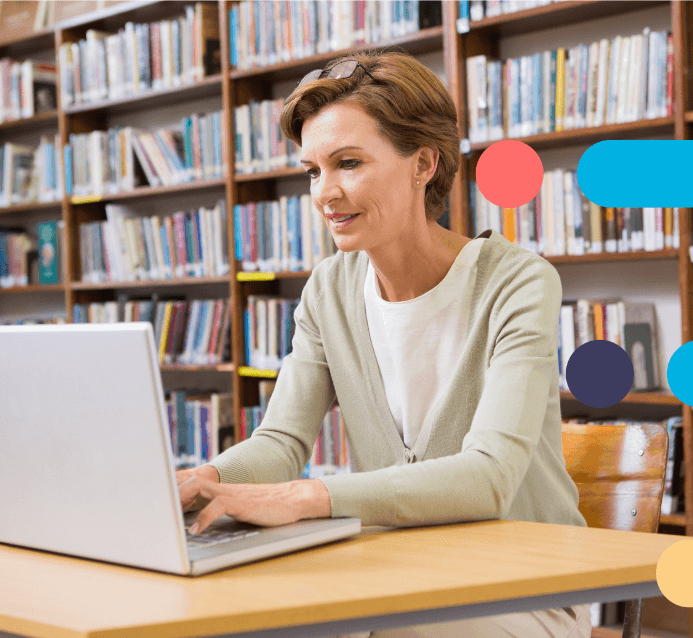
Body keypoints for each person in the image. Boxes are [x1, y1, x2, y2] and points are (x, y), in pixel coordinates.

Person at [176, 49, 591, 638]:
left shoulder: (518, 281)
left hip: (524, 587)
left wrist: (307, 497)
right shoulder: (329, 289)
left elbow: (489, 476)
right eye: (312, 171)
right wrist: (206, 479)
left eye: (348, 163)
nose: (325, 193)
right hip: (394, 573)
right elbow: (280, 441)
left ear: (423, 163)